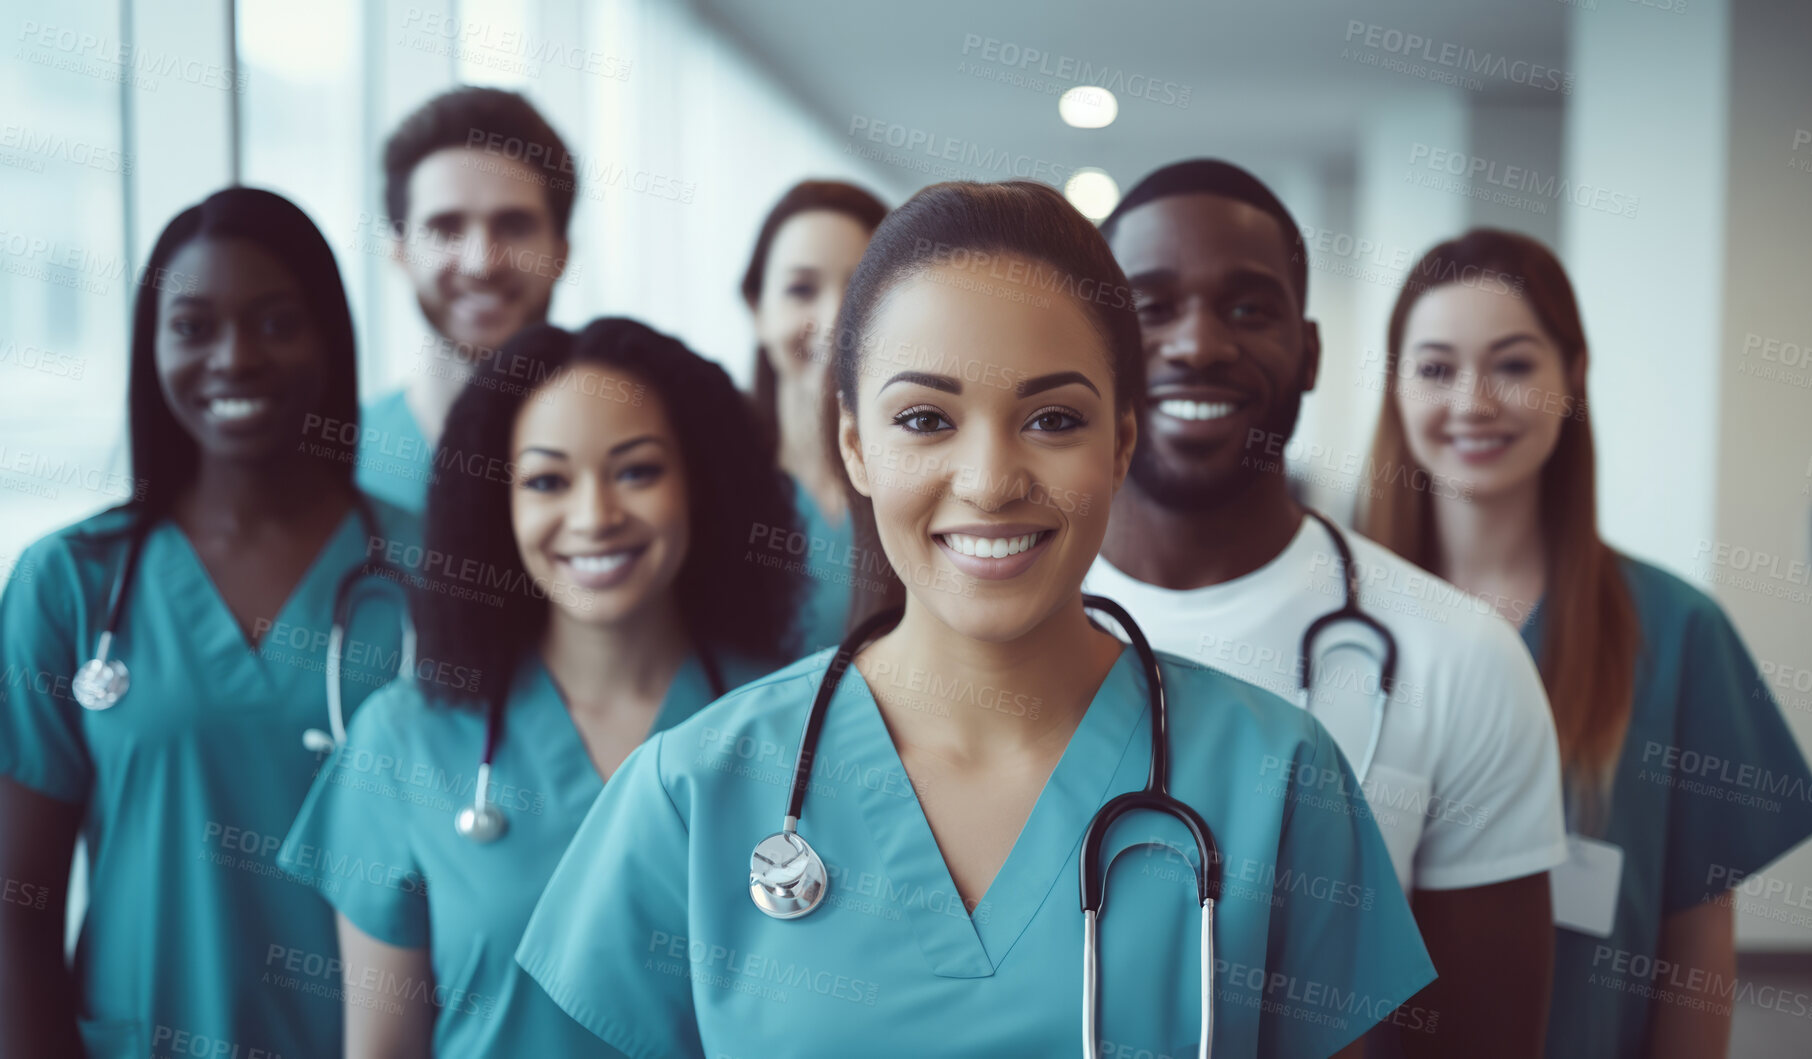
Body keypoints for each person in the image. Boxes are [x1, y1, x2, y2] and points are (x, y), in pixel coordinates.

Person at [515, 181, 1434, 1058]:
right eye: (924, 418)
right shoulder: (693, 791)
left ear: (1121, 443)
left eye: (1052, 418)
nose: (991, 481)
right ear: (853, 446)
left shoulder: (1278, 780)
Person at [1080, 159, 1567, 1057]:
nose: (1197, 345)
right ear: (1097, 350)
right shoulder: (993, 643)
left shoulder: (1460, 659)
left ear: (1308, 353)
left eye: (1247, 308)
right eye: (1150, 308)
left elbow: (1480, 1039)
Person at [1359, 228, 1812, 1059]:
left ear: (1572, 379)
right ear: (1395, 386)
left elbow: (1695, 938)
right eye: (1434, 367)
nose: (1472, 401)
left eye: (1512, 365)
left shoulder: (1677, 631)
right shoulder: (1333, 621)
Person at [275, 317, 798, 1055]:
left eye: (637, 470)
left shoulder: (790, 728)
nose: (595, 517)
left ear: (700, 481)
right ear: (497, 505)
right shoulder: (403, 741)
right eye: (548, 480)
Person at [0, 188, 417, 1058]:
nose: (233, 358)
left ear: (330, 340)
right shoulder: (70, 583)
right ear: (151, 348)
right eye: (192, 326)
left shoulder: (429, 575)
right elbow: (17, 903)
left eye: (274, 323)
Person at [356, 87, 579, 513]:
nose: (482, 264)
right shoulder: (340, 460)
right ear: (400, 254)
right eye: (445, 228)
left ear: (561, 253)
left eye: (515, 226)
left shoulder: (632, 449)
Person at [740, 180, 889, 652]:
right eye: (801, 289)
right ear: (757, 309)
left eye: (862, 288)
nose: (833, 320)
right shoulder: (709, 482)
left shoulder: (925, 481)